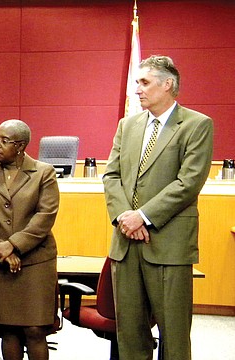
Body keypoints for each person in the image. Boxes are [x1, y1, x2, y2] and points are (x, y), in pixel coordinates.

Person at [103, 55, 213, 360]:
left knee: (174, 336)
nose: (137, 89)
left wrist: (143, 217)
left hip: (169, 243)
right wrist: (126, 218)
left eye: (144, 82)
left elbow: (188, 182)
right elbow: (111, 176)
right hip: (126, 243)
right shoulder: (128, 125)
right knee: (130, 333)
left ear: (168, 85)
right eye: (137, 82)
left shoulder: (197, 125)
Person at [0, 119, 59, 360]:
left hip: (36, 263)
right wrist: (1, 250)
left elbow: (45, 215)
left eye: (3, 140)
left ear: (20, 146)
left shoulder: (44, 173)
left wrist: (14, 244)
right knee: (8, 331)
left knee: (35, 330)